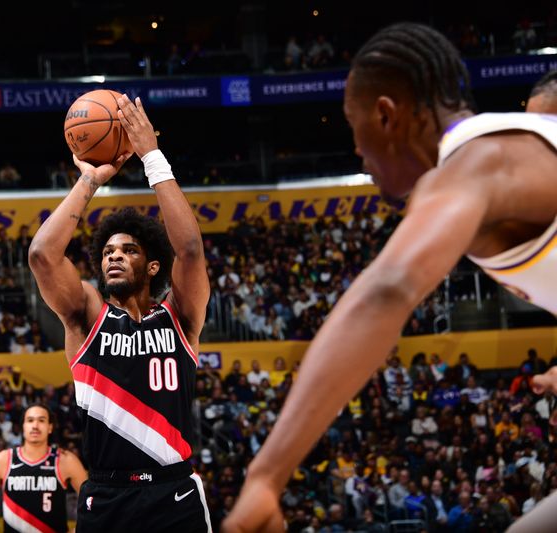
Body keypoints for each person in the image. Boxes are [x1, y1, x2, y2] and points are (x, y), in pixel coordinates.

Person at [222, 22, 557, 532]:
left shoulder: (475, 165)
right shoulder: (511, 152)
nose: (357, 151)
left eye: (352, 128)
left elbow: (387, 291)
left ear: (386, 114)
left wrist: (266, 476)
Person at [28, 94, 211, 532]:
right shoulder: (86, 316)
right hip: (106, 497)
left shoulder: (179, 317)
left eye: (128, 250)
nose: (114, 256)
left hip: (175, 492)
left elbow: (189, 249)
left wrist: (151, 156)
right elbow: (41, 255)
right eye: (108, 250)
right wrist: (89, 180)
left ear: (151, 266)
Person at [0, 404, 87, 533]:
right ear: (23, 427)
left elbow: (92, 503)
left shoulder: (65, 460)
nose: (35, 425)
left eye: (41, 420)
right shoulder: (3, 460)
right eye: (30, 420)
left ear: (50, 427)